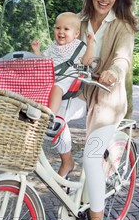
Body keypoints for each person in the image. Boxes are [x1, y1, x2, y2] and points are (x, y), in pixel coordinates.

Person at [57, 0, 139, 220]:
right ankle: (66, 162)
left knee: (92, 157)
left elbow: (123, 57)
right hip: (80, 91)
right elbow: (60, 50)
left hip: (108, 98)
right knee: (49, 119)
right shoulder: (77, 22)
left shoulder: (123, 25)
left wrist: (114, 72)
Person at [31, 12, 95, 176]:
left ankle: (49, 115)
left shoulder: (78, 46)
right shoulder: (52, 47)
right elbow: (43, 62)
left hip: (68, 80)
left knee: (56, 88)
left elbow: (87, 61)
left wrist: (90, 44)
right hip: (53, 80)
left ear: (75, 33)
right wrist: (37, 51)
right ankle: (66, 160)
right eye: (58, 28)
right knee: (37, 88)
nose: (61, 32)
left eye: (66, 29)